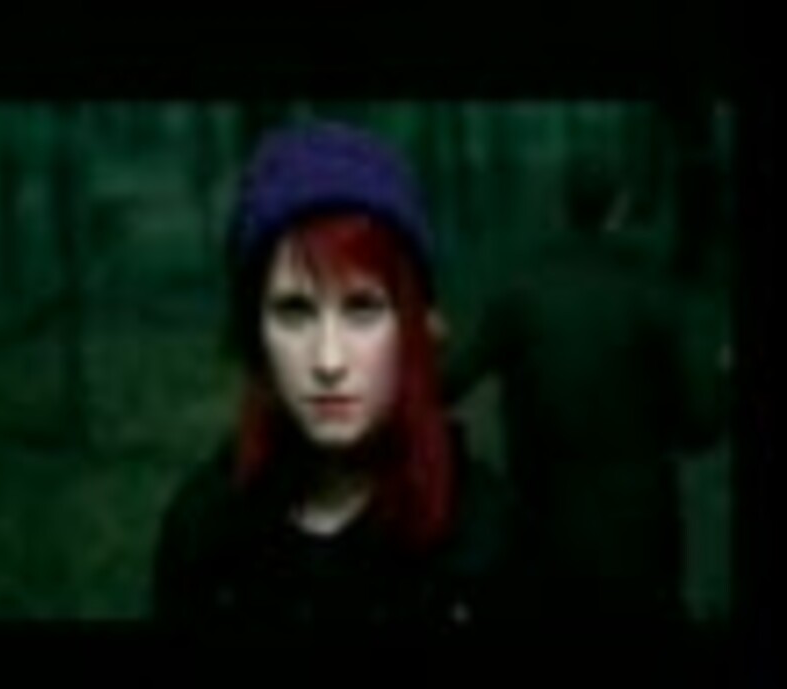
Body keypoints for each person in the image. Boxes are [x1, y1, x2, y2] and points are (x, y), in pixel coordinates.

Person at [151, 122, 514, 650]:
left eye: (362, 309)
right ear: (256, 338)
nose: (328, 361)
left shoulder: (490, 539)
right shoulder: (203, 533)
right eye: (294, 311)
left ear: (414, 329)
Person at [441, 154, 731, 628]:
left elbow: (448, 383)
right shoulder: (656, 293)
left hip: (543, 531)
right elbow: (701, 427)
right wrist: (722, 376)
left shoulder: (523, 291)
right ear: (622, 207)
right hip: (641, 541)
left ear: (567, 205)